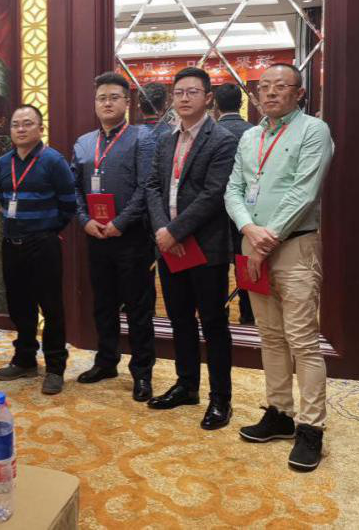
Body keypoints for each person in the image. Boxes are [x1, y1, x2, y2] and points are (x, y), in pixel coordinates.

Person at [225, 63, 333, 472]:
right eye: (264, 87)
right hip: (252, 243)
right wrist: (249, 229)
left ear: (299, 93)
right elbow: (233, 189)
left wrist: (266, 239)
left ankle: (311, 428)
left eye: (280, 86)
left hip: (294, 247)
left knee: (302, 340)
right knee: (269, 336)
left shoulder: (313, 131)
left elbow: (304, 192)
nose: (269, 93)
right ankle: (280, 413)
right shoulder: (250, 137)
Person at [145, 67, 237, 430]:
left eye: (192, 92)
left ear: (208, 97)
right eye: (179, 92)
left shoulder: (222, 140)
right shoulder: (166, 139)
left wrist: (176, 231)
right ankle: (186, 385)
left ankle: (220, 399)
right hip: (169, 245)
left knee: (213, 323)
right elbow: (153, 186)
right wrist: (162, 230)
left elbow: (214, 194)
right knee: (179, 318)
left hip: (205, 247)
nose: (184, 98)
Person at [71, 72, 156, 402]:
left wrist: (121, 222)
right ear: (95, 104)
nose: (107, 103)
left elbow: (146, 186)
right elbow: (74, 189)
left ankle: (142, 372)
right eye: (101, 98)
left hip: (131, 237)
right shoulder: (83, 143)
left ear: (127, 102)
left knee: (138, 308)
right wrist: (84, 220)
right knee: (103, 304)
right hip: (96, 235)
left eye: (114, 97)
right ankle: (106, 361)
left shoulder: (142, 138)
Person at [0, 104, 76, 395]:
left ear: (40, 128)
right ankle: (25, 358)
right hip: (12, 243)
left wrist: (47, 230)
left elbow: (69, 204)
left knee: (51, 307)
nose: (21, 129)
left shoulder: (53, 160)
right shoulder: (3, 162)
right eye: (16, 124)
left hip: (43, 244)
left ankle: (55, 367)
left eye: (28, 123)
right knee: (19, 305)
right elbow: (2, 199)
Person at [214, 82, 255, 325]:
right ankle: (248, 316)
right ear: (241, 103)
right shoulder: (254, 132)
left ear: (215, 104)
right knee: (245, 263)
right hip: (246, 213)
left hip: (216, 213)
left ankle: (218, 315)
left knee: (216, 268)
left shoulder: (210, 133)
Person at [137, 81, 173, 319]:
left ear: (138, 106)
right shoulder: (173, 134)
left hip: (137, 216)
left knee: (141, 276)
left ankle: (147, 314)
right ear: (166, 103)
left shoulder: (132, 136)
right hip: (167, 217)